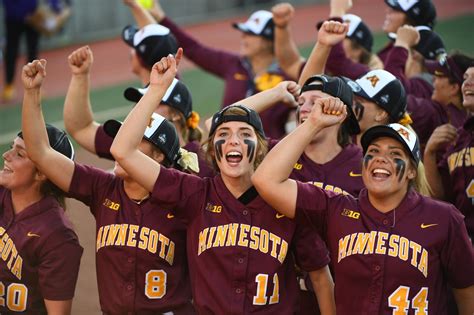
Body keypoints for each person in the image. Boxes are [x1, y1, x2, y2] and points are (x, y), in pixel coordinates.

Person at [110, 50, 336, 314]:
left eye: (244, 134)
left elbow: (321, 279)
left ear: (261, 148)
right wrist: (156, 90)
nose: (233, 141)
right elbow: (123, 151)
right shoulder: (194, 194)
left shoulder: (286, 203)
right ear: (212, 151)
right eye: (224, 134)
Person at [252, 97, 474, 314]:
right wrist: (313, 124)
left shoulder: (443, 219)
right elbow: (266, 180)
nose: (380, 158)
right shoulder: (336, 208)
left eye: (395, 154)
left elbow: (466, 291)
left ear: (412, 171)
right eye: (373, 152)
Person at [21, 58, 196, 314]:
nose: (119, 149)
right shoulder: (103, 187)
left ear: (159, 155)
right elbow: (40, 153)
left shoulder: (186, 197)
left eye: (133, 141)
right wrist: (31, 93)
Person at [148, 0, 294, 139]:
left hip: (266, 155)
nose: (243, 37)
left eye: (250, 34)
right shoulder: (233, 63)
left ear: (268, 41)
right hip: (225, 151)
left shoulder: (287, 77)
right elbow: (194, 49)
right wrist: (160, 17)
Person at [63, 45, 213, 177]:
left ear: (175, 114)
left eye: (155, 100)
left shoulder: (202, 163)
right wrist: (80, 76)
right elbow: (81, 128)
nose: (142, 107)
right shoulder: (128, 140)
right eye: (140, 101)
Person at [1, 110, 82, 312]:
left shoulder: (57, 236)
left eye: (19, 154)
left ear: (42, 173)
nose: (6, 156)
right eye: (12, 148)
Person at [272, 2, 383, 81]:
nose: (327, 37)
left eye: (339, 35)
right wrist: (282, 28)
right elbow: (290, 63)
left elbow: (336, 60)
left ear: (358, 50)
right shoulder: (325, 69)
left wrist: (337, 11)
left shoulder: (366, 75)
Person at [424, 65, 474, 242]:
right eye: (466, 77)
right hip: (465, 238)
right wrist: (430, 152)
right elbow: (440, 195)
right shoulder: (459, 136)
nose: (468, 83)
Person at [1, 0, 67, 102]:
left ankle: (34, 86)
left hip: (34, 17)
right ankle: (9, 86)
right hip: (13, 18)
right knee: (11, 52)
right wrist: (22, 14)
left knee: (33, 52)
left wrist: (56, 8)